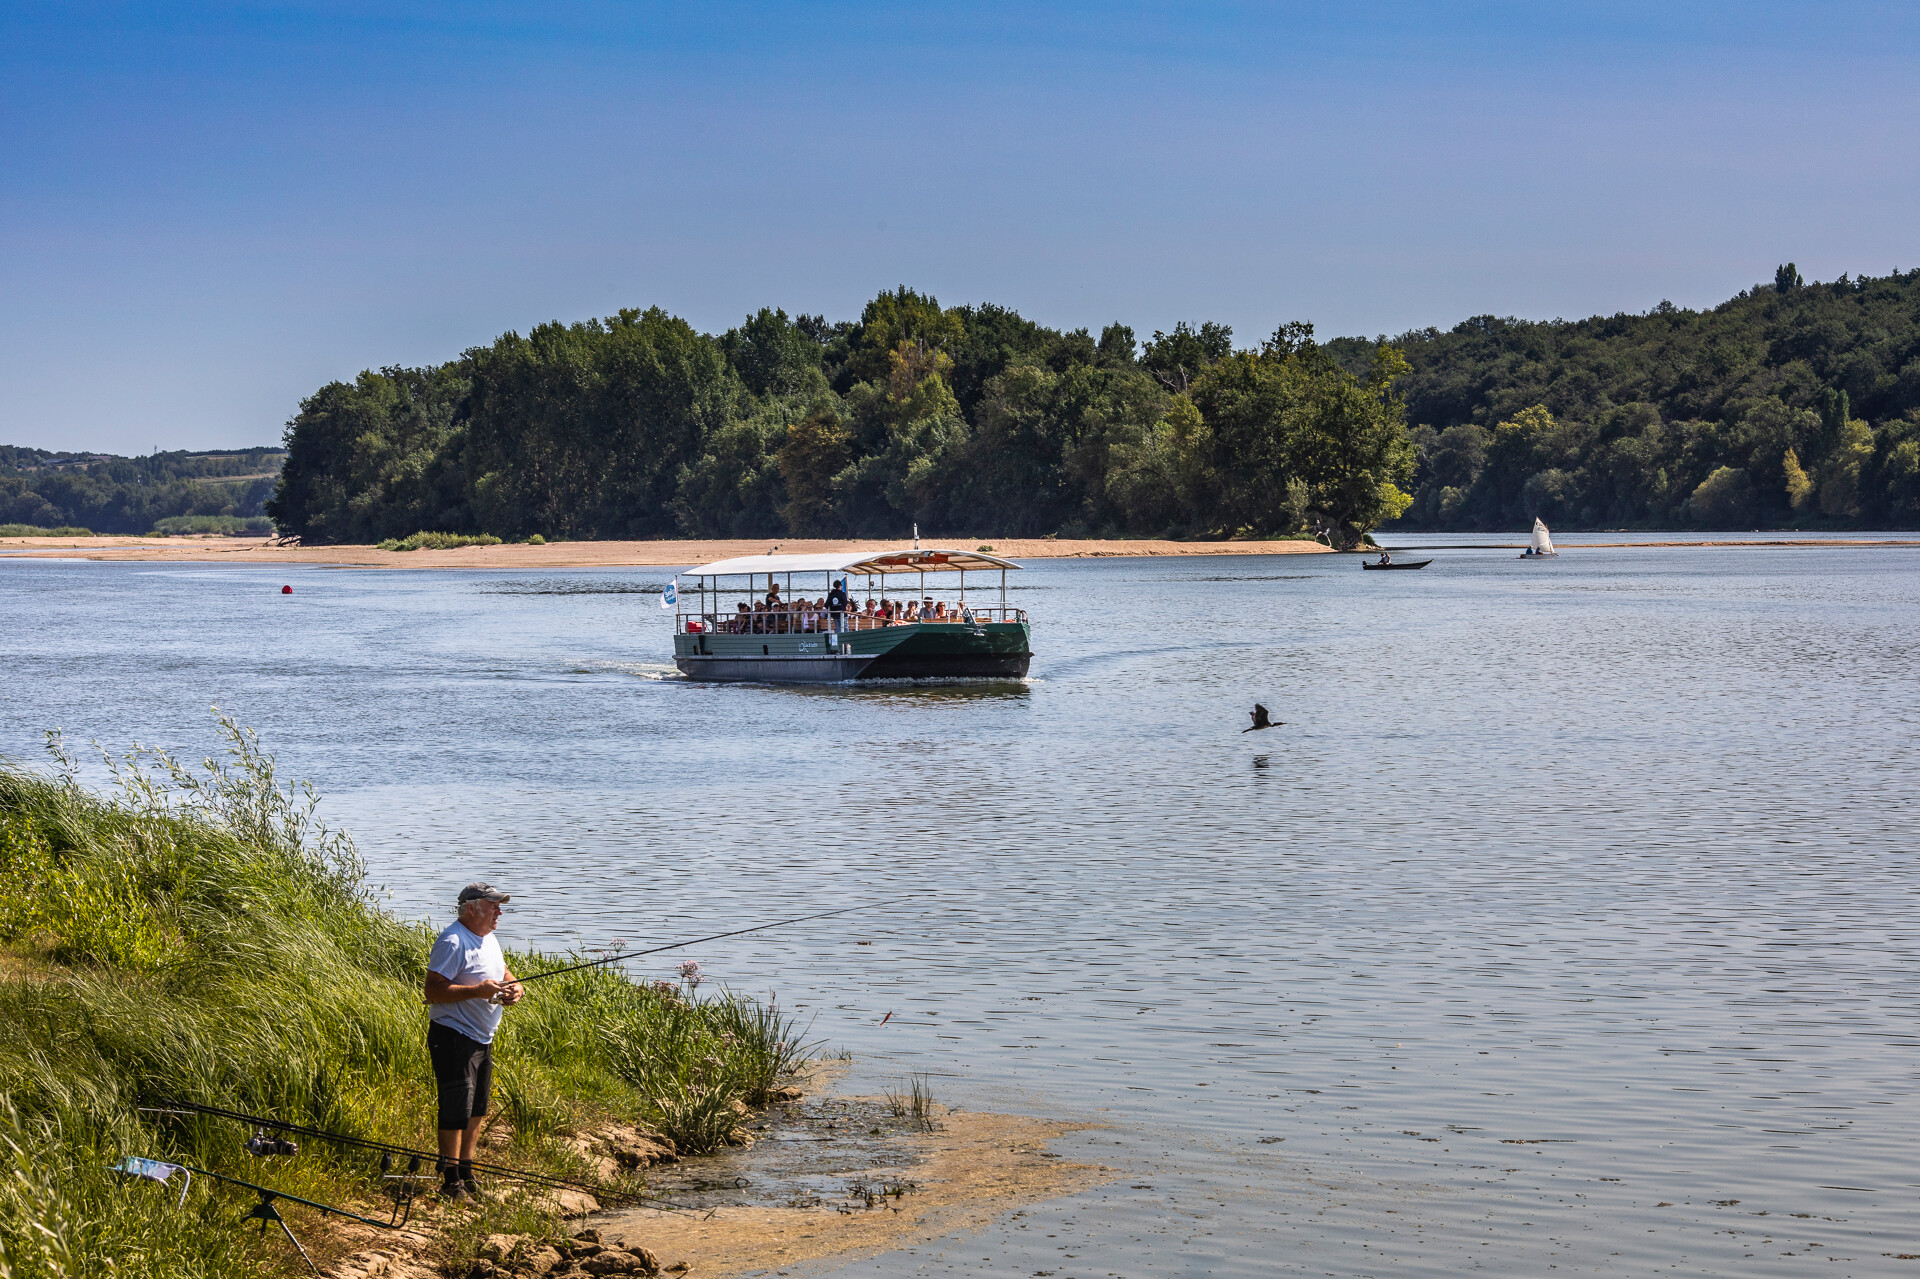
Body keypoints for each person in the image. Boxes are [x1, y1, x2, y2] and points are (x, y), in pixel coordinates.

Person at [424, 882, 522, 1202]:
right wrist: (478, 991)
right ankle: (450, 1181)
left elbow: (502, 970)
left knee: (477, 1108)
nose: (499, 911)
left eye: (499, 905)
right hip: (453, 1035)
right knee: (456, 1108)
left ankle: (466, 1170)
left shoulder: (488, 938)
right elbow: (433, 991)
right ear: (471, 908)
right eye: (493, 905)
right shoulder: (453, 941)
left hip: (483, 1038)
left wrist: (514, 986)